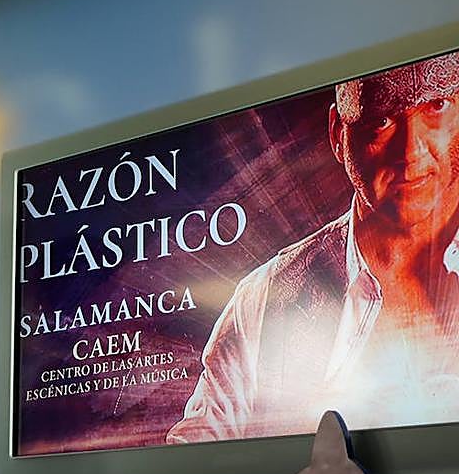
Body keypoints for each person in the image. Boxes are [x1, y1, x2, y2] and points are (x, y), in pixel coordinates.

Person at [169, 52, 459, 443]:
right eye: (381, 121)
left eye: (436, 106)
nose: (411, 153)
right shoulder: (264, 297)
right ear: (339, 135)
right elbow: (196, 456)